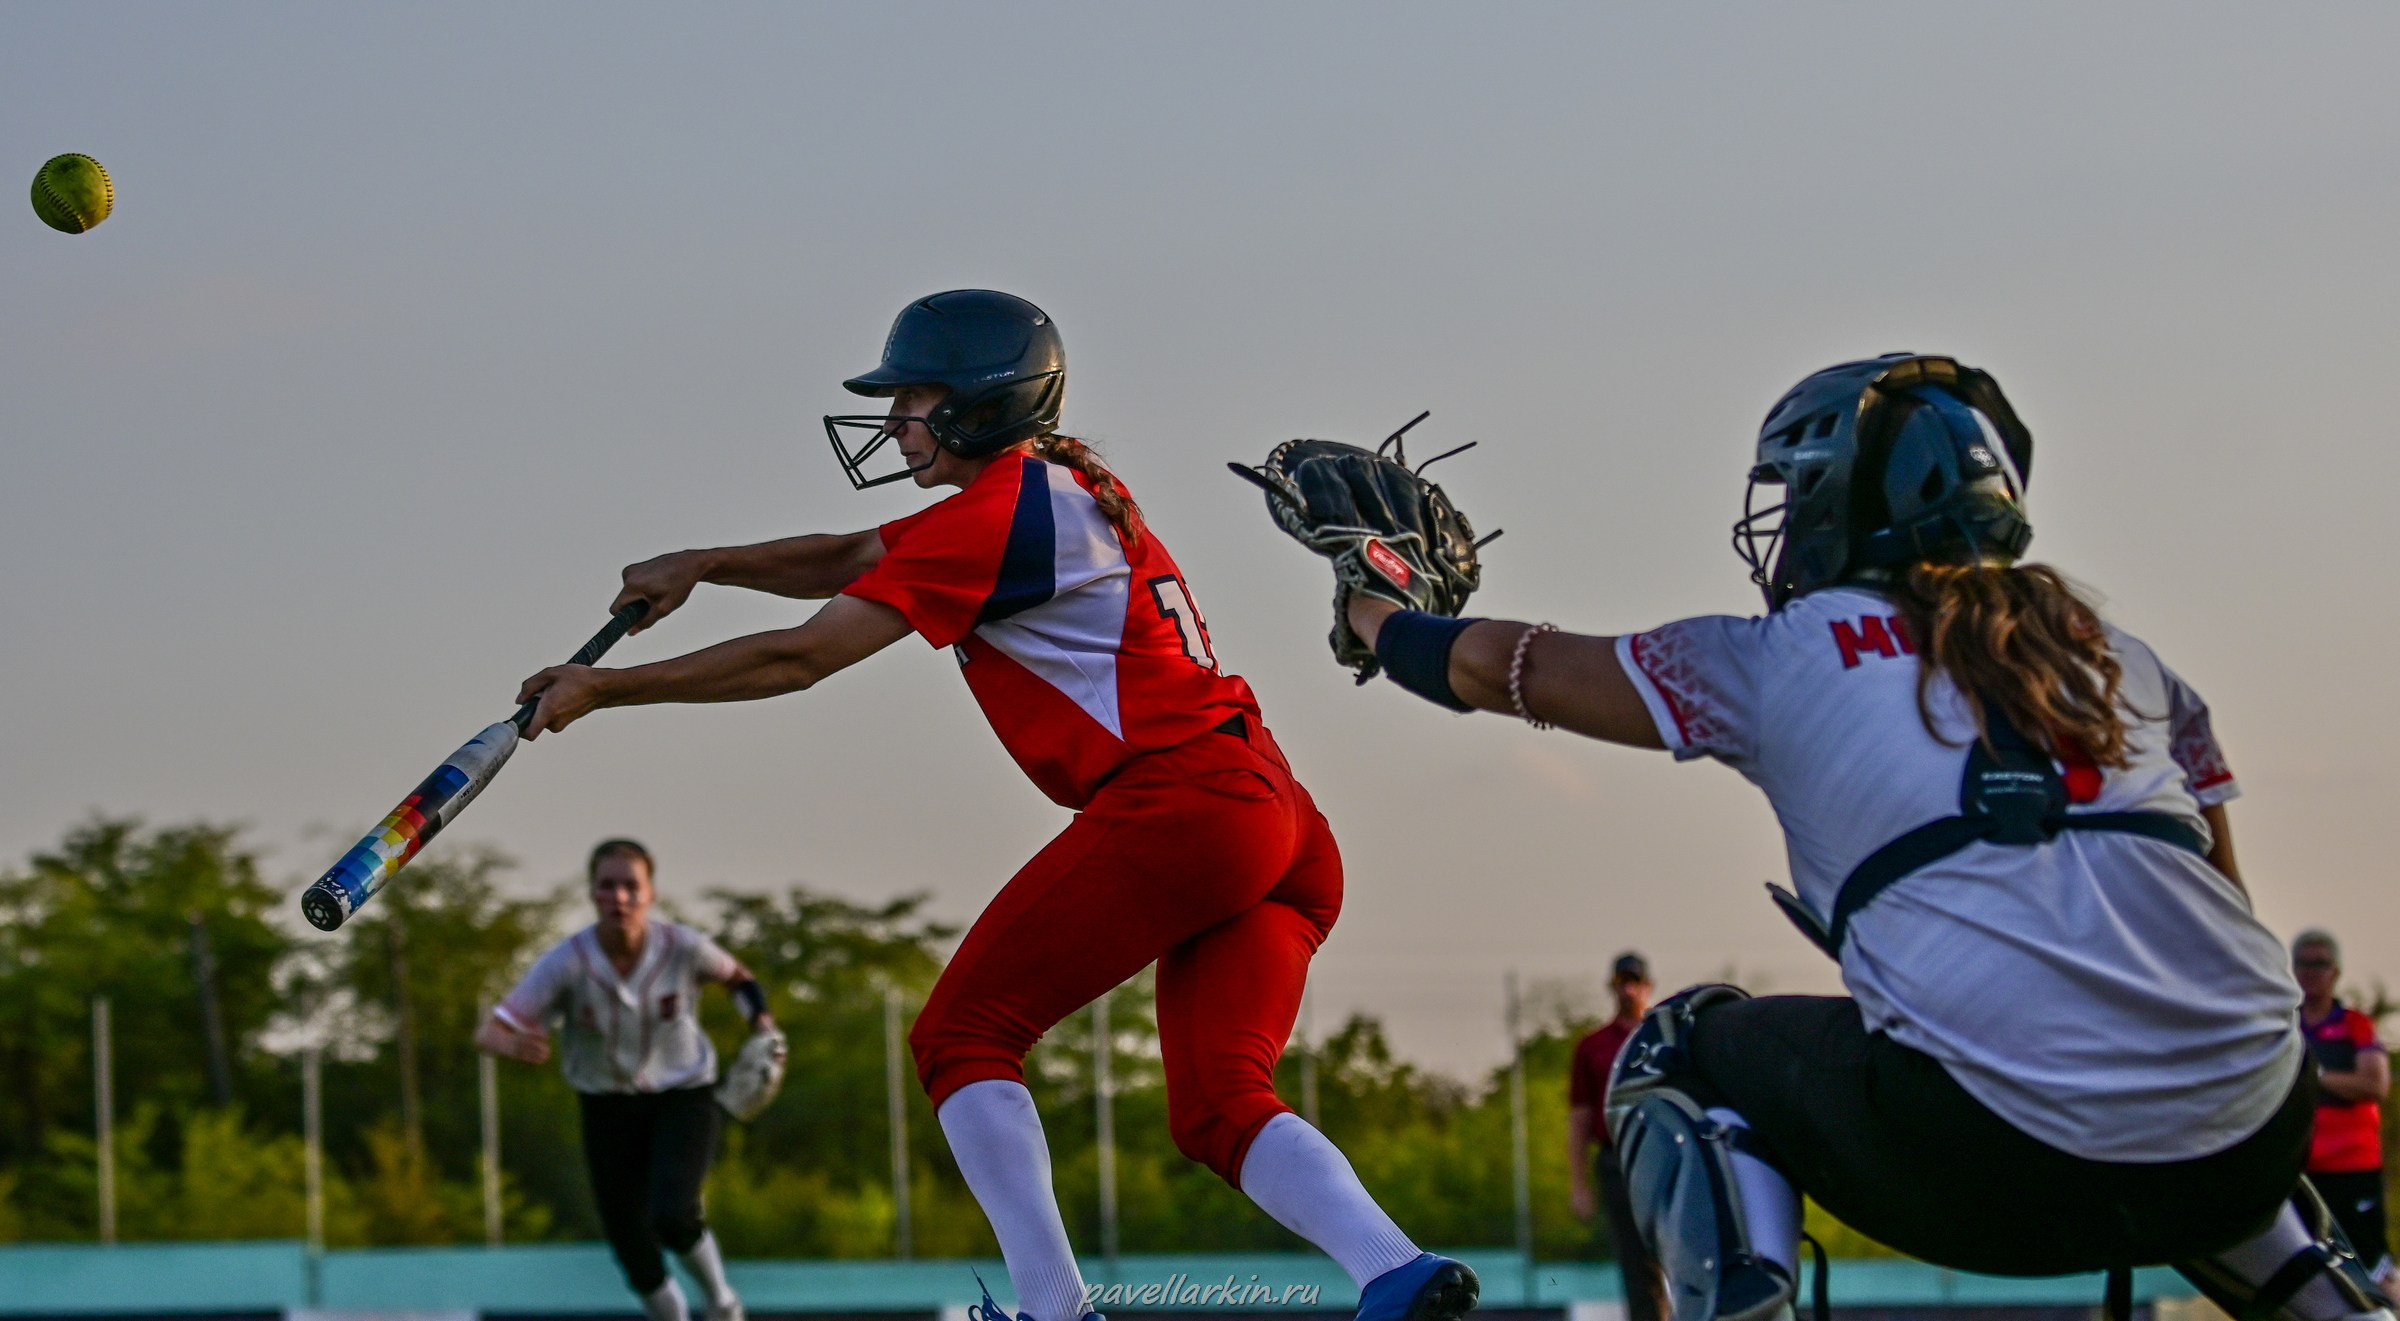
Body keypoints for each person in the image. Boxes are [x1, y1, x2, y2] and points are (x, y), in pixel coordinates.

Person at [1300, 353, 2391, 1321]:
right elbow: (2220, 920)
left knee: (1678, 1049)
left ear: (1838, 499)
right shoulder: (2128, 657)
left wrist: (1373, 607)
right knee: (2167, 1053)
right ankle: (2330, 1296)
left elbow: (1505, 666)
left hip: (2009, 1162)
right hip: (2254, 1136)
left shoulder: (1788, 653)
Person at [512, 291, 1477, 1321]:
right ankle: (1399, 1273)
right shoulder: (1057, 489)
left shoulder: (1001, 514)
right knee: (1218, 1104)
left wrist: (606, 686)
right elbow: (852, 556)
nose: (893, 421)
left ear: (980, 401)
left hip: (1186, 804)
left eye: (913, 397)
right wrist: (708, 565)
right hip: (1279, 819)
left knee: (962, 1035)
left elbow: (802, 657)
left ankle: (1054, 1311)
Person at [473, 839, 773, 1321]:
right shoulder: (568, 962)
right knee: (634, 1251)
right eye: (607, 886)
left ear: (651, 893)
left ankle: (721, 1302)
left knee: (673, 1216)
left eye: (631, 886)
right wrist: (511, 1044)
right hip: (607, 1107)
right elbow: (489, 1030)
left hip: (684, 1094)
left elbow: (739, 978)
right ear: (592, 894)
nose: (620, 898)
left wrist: (760, 1022)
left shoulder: (682, 947)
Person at [1570, 953, 1668, 1321]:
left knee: (1680, 1248)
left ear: (1648, 987)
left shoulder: (1665, 1038)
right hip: (1618, 1161)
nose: (1628, 990)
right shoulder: (1592, 1046)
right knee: (1636, 1259)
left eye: (1635, 982)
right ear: (1613, 987)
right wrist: (1578, 1184)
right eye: (1621, 982)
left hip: (1665, 1156)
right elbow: (1579, 1118)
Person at [2294, 930, 2392, 1279]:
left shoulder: (2354, 1026)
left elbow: (2374, 1084)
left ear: (2335, 972)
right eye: (2303, 963)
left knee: (2373, 1269)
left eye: (2319, 964)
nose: (2310, 972)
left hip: (2352, 1169)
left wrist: (2312, 1075)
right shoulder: (2287, 1026)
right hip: (2296, 1169)